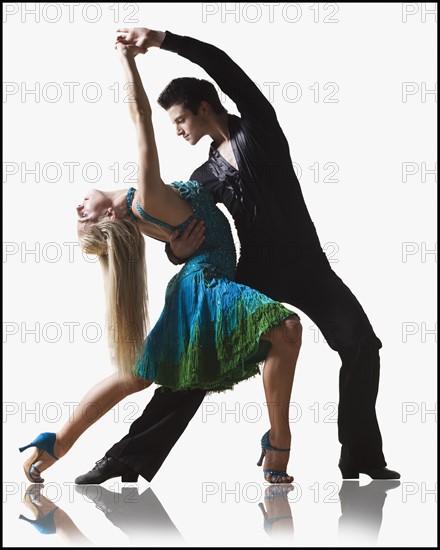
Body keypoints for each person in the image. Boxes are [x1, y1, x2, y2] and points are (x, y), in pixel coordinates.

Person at [73, 27, 400, 484]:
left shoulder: (259, 128)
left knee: (362, 344)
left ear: (204, 108)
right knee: (197, 362)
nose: (178, 130)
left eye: (180, 120)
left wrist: (163, 40)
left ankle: (360, 456)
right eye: (170, 124)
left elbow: (220, 63)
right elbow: (183, 232)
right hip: (254, 273)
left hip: (310, 268)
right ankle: (127, 458)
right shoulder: (202, 176)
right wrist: (174, 250)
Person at [19, 39, 302, 486]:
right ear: (110, 217)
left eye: (79, 215)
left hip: (192, 283)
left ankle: (56, 443)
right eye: (84, 218)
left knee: (136, 376)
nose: (78, 209)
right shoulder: (145, 195)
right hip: (206, 283)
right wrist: (127, 61)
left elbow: (180, 243)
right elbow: (141, 118)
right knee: (285, 329)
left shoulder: (144, 212)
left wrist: (177, 250)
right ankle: (279, 443)